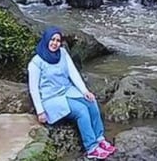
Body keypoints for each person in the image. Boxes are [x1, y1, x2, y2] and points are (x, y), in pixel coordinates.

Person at [28, 27, 117, 160]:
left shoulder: (62, 53)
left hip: (67, 90)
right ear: (46, 40)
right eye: (52, 40)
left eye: (58, 40)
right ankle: (91, 147)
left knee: (91, 102)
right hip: (51, 98)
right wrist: (40, 111)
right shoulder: (36, 62)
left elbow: (73, 73)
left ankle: (99, 138)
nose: (55, 43)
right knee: (81, 110)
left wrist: (85, 91)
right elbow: (33, 88)